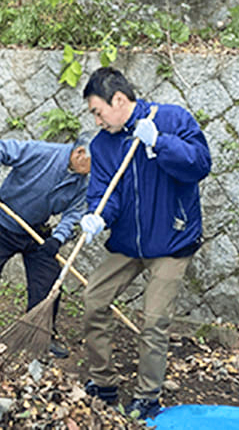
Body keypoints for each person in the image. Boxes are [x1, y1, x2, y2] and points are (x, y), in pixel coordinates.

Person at [79, 67, 211, 418]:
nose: (96, 120)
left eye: (98, 111)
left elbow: (199, 165)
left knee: (154, 320)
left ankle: (147, 397)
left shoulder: (171, 119)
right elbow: (106, 195)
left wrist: (159, 142)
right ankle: (103, 381)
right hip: (129, 243)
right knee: (94, 298)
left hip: (171, 239)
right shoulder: (103, 144)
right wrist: (98, 216)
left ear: (118, 100)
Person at [0, 132, 94, 358]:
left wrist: (58, 238)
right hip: (3, 225)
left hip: (35, 232)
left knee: (49, 280)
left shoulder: (82, 183)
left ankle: (40, 336)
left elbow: (74, 213)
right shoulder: (42, 152)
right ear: (79, 153)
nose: (98, 170)